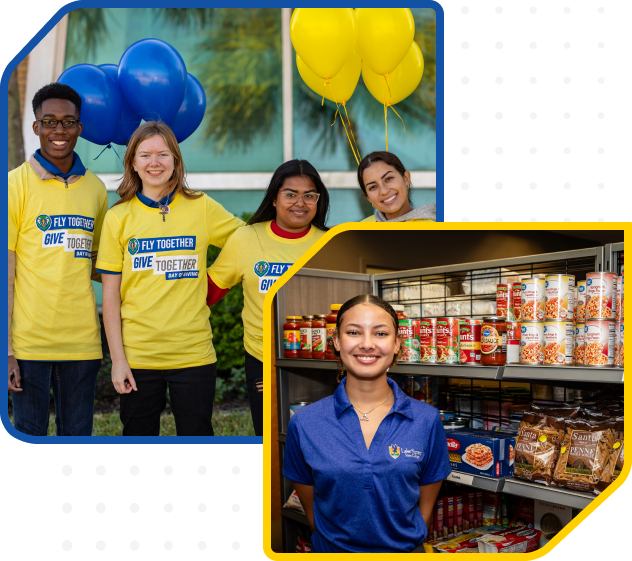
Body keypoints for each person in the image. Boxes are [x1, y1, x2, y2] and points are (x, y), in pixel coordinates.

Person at [97, 121, 245, 436]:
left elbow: (245, 241)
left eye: (163, 155)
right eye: (145, 155)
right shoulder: (118, 218)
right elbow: (110, 295)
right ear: (133, 163)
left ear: (176, 161)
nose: (155, 163)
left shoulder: (201, 207)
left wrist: (216, 278)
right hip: (138, 356)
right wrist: (118, 360)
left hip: (193, 352)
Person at [283, 294, 450, 552]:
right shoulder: (305, 422)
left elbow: (426, 503)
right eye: (353, 332)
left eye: (381, 334)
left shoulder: (426, 419)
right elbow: (311, 508)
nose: (367, 344)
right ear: (337, 342)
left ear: (397, 344)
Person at [8, 83, 108, 436]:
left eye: (68, 122)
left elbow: (98, 262)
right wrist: (6, 349)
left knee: (77, 435)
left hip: (82, 342)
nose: (59, 131)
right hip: (28, 342)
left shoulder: (96, 189)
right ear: (35, 127)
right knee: (30, 432)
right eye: (49, 122)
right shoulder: (14, 186)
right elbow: (6, 271)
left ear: (79, 128)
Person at [207, 160, 330, 436]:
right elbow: (207, 292)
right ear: (274, 198)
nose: (300, 202)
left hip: (320, 360)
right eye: (290, 194)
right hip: (264, 359)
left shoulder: (330, 241)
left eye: (309, 195)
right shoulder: (246, 239)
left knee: (320, 438)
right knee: (271, 438)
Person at [358, 151, 436, 222]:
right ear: (368, 198)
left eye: (388, 178)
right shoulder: (359, 231)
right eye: (373, 187)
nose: (384, 191)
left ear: (406, 179)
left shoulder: (436, 229)